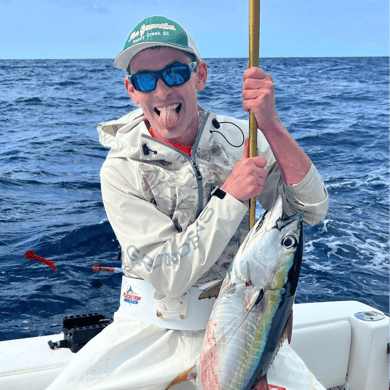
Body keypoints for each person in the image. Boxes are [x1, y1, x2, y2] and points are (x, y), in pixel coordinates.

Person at [47, 15, 329, 390]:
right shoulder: (120, 168)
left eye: (176, 73)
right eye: (146, 79)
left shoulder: (242, 138)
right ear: (132, 90)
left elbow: (309, 210)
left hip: (244, 325)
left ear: (200, 75)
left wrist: (270, 124)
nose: (162, 89)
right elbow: (168, 276)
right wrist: (230, 197)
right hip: (150, 332)